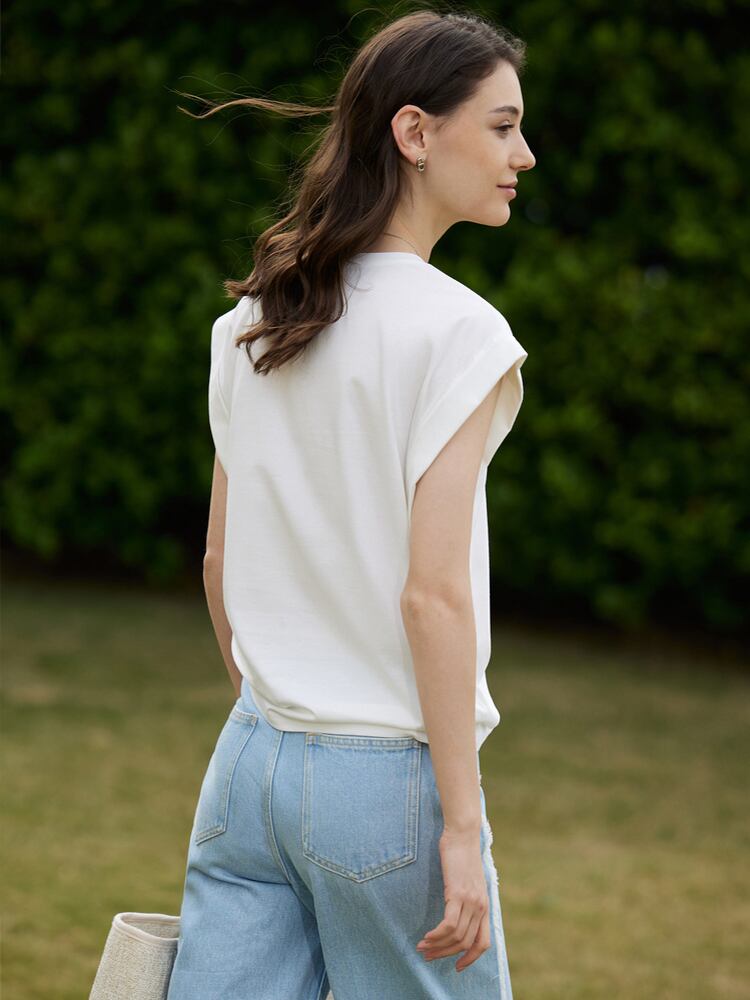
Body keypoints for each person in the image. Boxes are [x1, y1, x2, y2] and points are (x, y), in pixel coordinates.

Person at [166, 9, 535, 1000]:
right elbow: (433, 598)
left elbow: (218, 560)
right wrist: (462, 824)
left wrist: (280, 714)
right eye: (502, 126)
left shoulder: (254, 317)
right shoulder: (459, 332)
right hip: (384, 786)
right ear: (415, 132)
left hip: (250, 763)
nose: (524, 155)